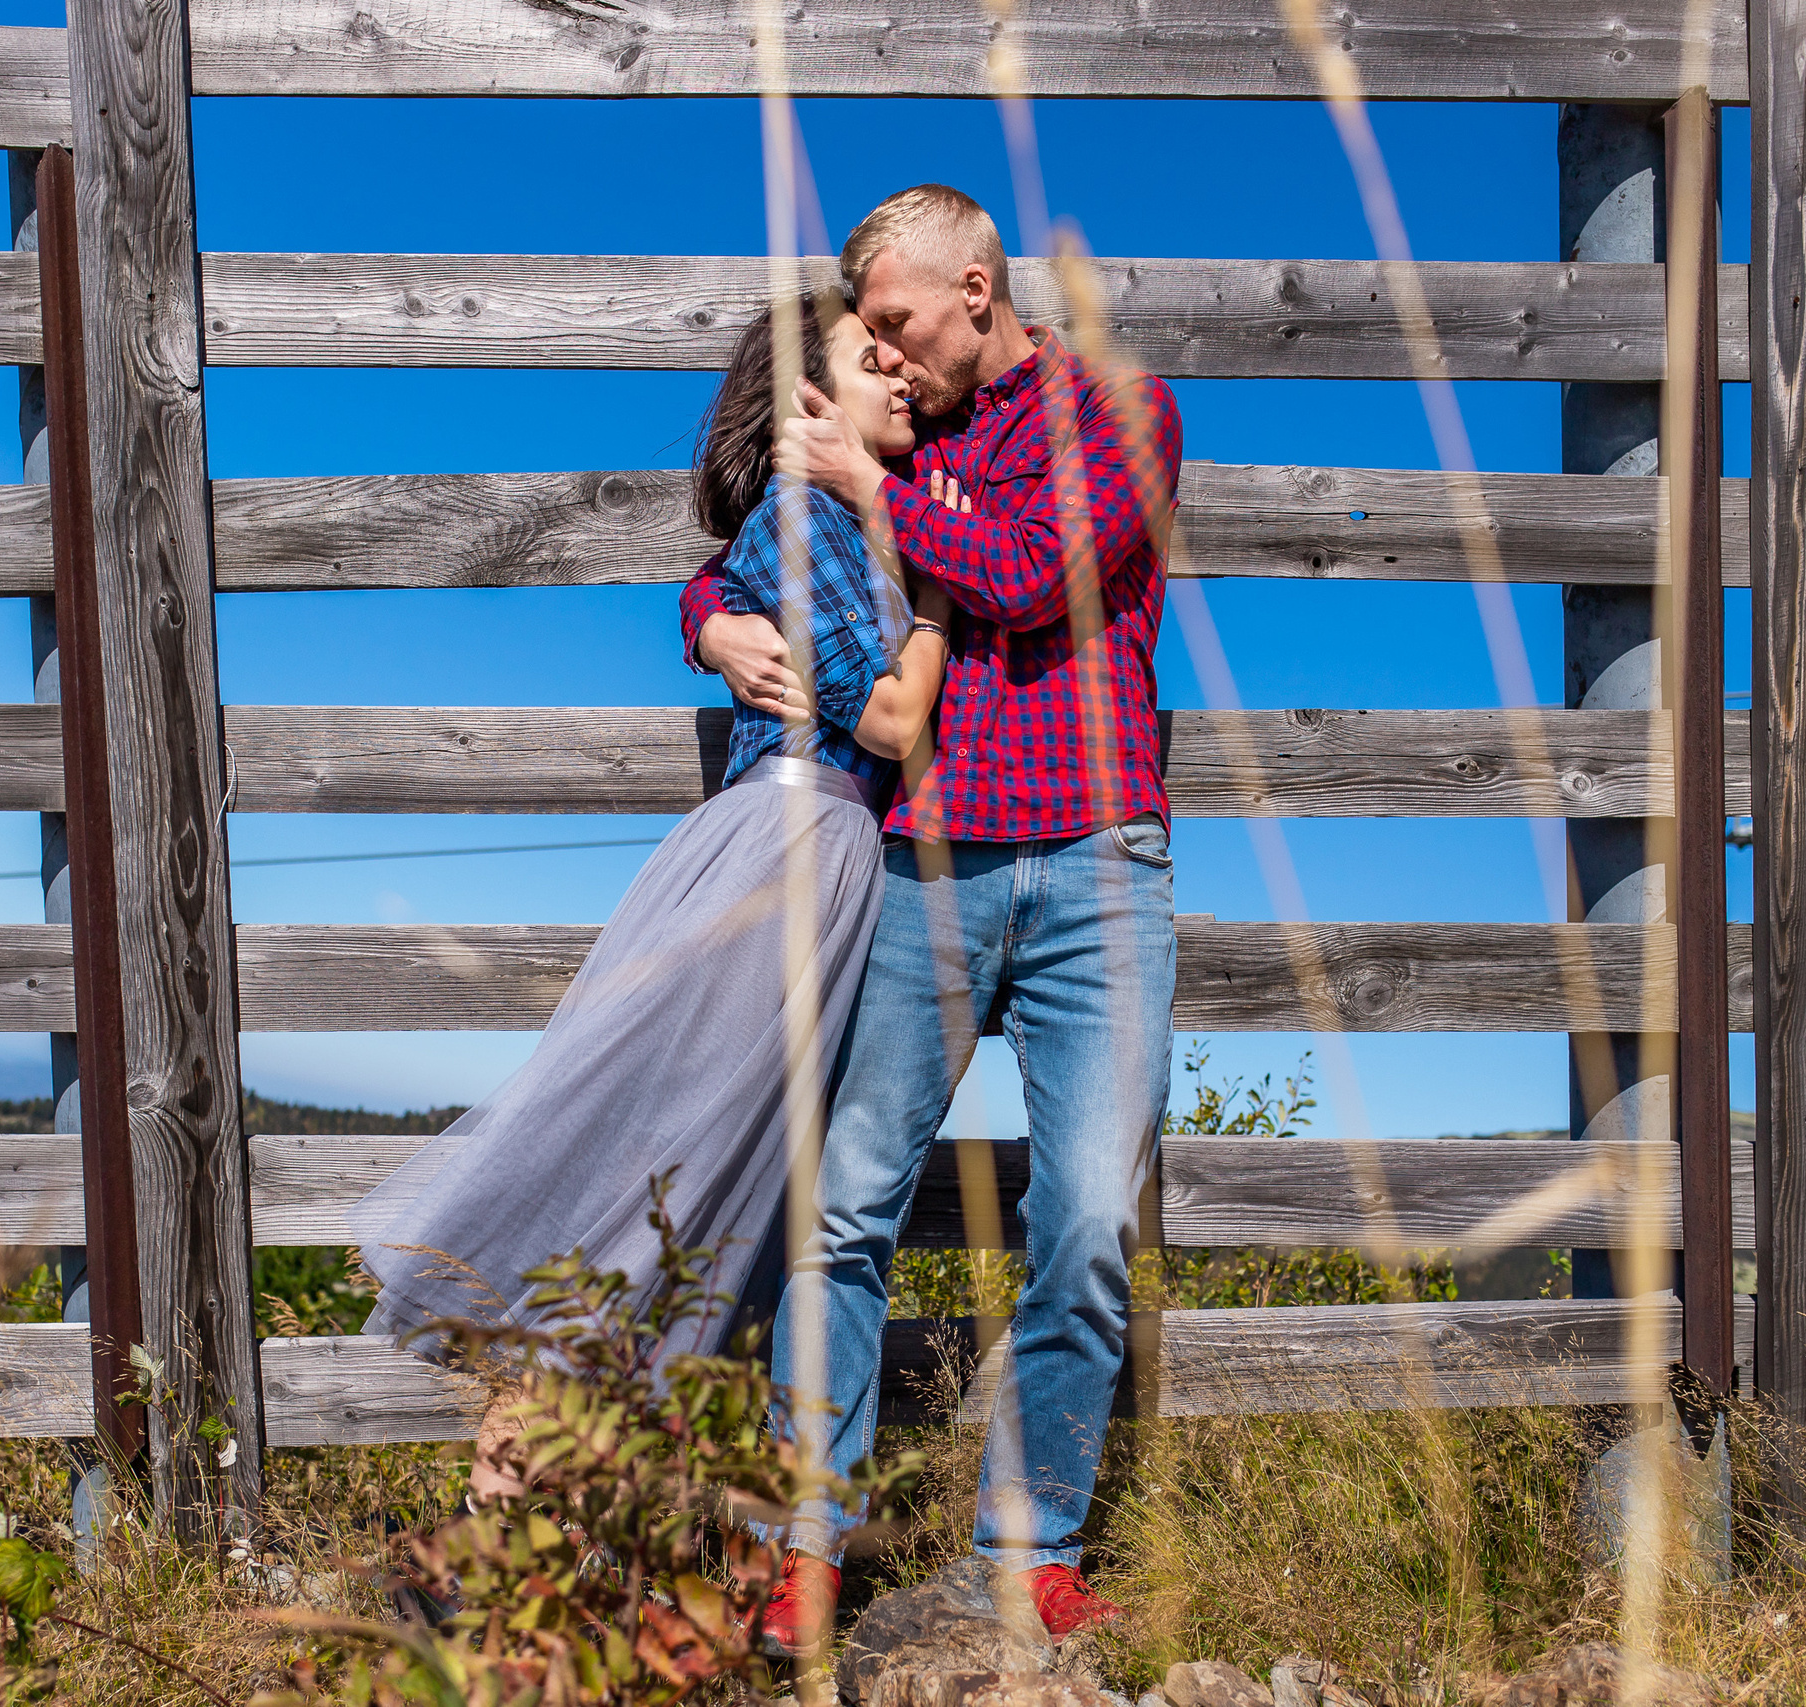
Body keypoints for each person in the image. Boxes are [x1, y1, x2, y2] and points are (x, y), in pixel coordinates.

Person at [681, 185, 1184, 1645]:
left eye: (896, 321)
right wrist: (709, 617)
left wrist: (866, 482)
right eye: (870, 337)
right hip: (922, 862)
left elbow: (1033, 573)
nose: (886, 354)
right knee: (844, 1205)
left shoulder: (1122, 410)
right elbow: (758, 539)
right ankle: (800, 1551)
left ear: (976, 288)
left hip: (1099, 862)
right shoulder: (898, 435)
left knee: (1088, 1220)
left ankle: (1026, 1554)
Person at [353, 295, 954, 1369]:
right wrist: (940, 601)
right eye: (873, 362)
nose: (902, 375)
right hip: (791, 844)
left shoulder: (869, 521)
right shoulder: (808, 519)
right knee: (671, 1135)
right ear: (809, 401)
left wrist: (716, 616)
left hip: (830, 857)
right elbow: (892, 720)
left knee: (733, 1161)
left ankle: (618, 1422)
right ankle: (527, 1386)